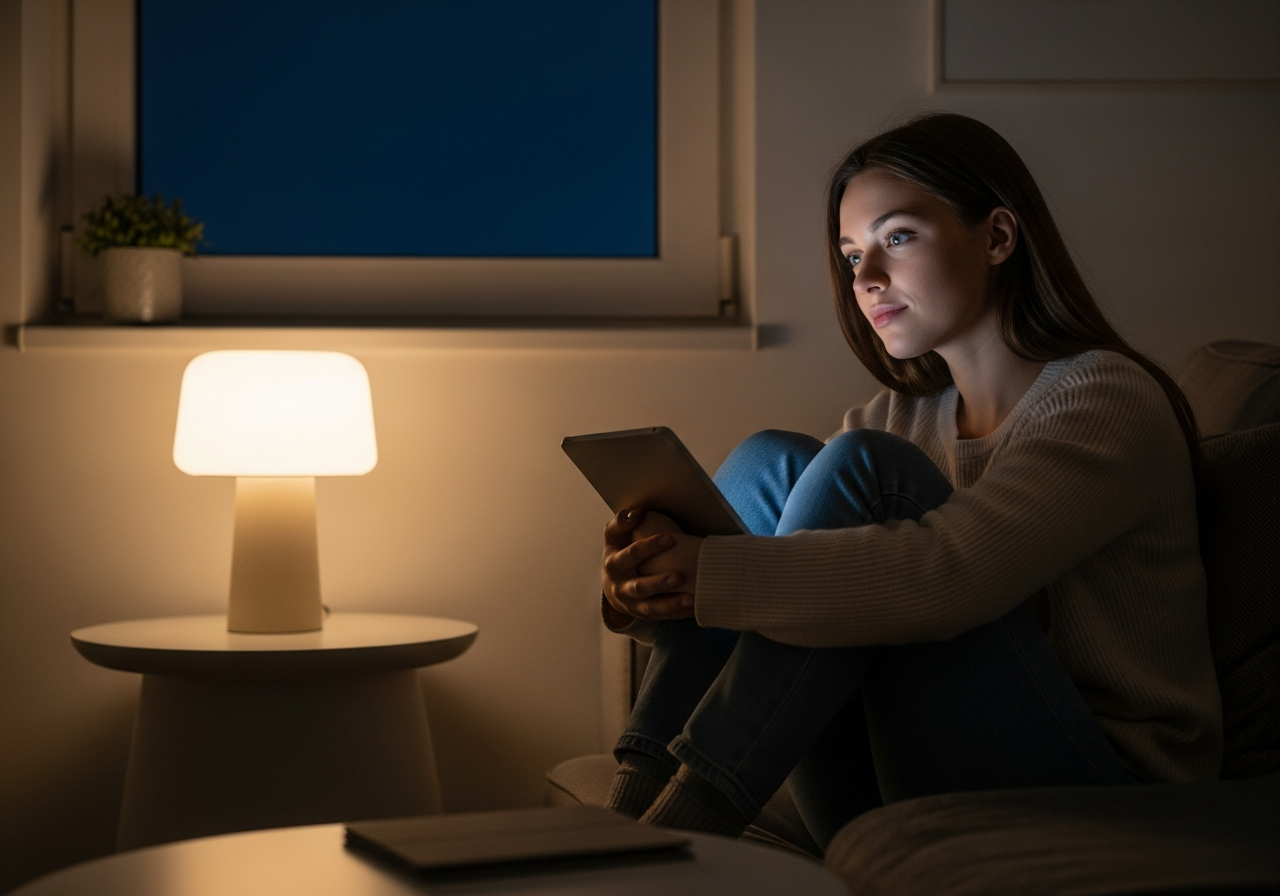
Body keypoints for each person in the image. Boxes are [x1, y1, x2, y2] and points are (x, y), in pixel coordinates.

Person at [596, 113, 1223, 851]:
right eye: (852, 251)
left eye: (897, 238)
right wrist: (646, 590)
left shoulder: (1105, 401)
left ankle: (680, 826)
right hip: (909, 768)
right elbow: (808, 571)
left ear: (996, 238)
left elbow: (948, 575)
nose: (865, 278)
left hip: (1105, 792)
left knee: (868, 471)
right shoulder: (902, 413)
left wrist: (712, 574)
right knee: (772, 463)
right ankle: (626, 810)